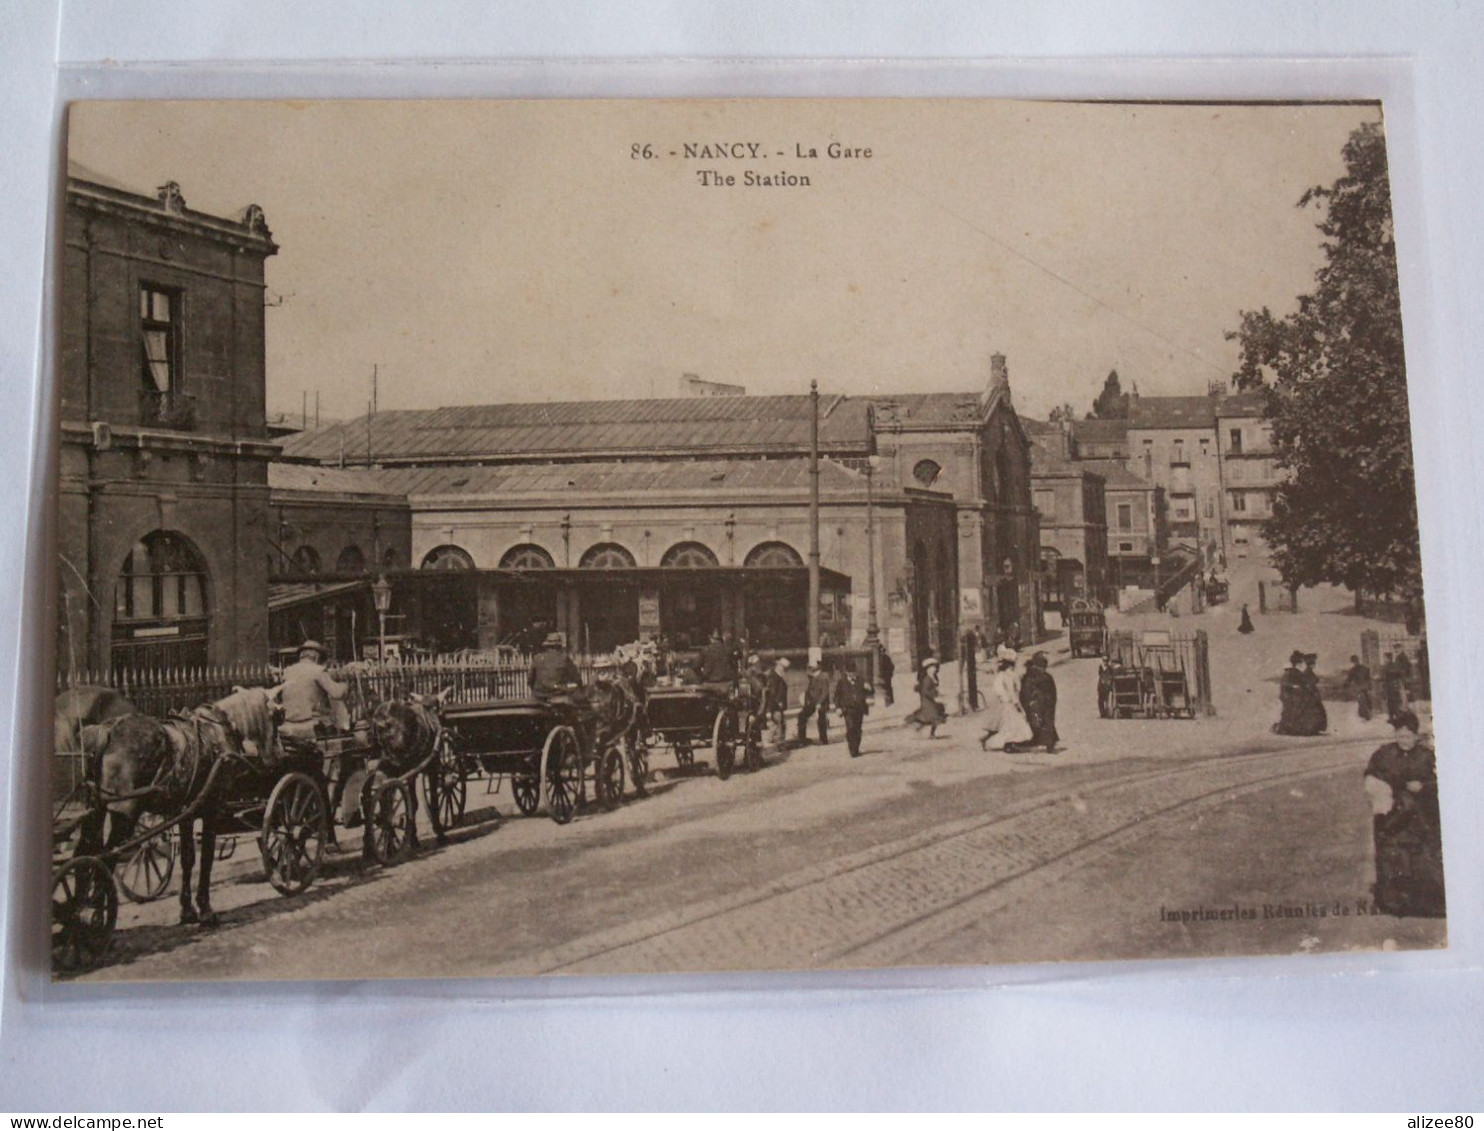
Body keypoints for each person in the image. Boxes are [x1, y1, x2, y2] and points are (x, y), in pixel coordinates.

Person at [1363, 710, 1445, 917]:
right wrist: (1379, 790)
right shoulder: (1384, 753)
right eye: (1399, 736)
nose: (1403, 740)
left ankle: (1424, 901)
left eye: (1408, 736)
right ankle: (1393, 902)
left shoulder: (1428, 756)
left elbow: (1445, 780)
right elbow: (1371, 775)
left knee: (1421, 856)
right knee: (1392, 855)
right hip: (1392, 815)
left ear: (1416, 736)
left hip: (1422, 814)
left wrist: (1425, 786)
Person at [279, 640, 349, 741]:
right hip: (311, 724)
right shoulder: (318, 671)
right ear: (316, 657)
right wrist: (344, 685)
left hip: (289, 723)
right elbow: (336, 693)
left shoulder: (287, 672)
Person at [983, 651, 1033, 751]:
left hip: (1006, 703)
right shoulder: (1011, 675)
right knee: (1014, 725)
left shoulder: (1002, 674)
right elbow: (1012, 691)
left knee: (1011, 726)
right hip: (1010, 703)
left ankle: (1008, 744)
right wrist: (1016, 704)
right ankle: (1007, 744)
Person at [1017, 652, 1059, 753]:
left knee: (1040, 721)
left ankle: (1047, 741)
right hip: (1042, 702)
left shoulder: (1031, 677)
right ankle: (1046, 741)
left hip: (1039, 703)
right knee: (1044, 722)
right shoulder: (1042, 677)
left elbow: (1025, 692)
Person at [529, 632, 583, 701]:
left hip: (539, 696)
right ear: (559, 647)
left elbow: (530, 679)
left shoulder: (537, 658)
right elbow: (577, 678)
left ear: (546, 646)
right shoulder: (564, 659)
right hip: (558, 695)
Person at [835, 665, 870, 758]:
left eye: (854, 673)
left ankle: (856, 748)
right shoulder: (841, 682)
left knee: (858, 729)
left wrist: (869, 688)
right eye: (850, 673)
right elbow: (836, 696)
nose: (852, 675)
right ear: (846, 673)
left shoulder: (861, 680)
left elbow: (870, 692)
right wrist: (838, 707)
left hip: (860, 709)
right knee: (850, 728)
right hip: (848, 709)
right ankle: (852, 750)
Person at [1274, 650, 1311, 735]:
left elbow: (1303, 682)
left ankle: (1295, 728)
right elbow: (1286, 684)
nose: (1302, 664)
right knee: (1289, 711)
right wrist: (1294, 686)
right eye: (1301, 662)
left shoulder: (1296, 672)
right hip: (1289, 695)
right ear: (1298, 663)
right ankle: (1285, 728)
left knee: (1295, 711)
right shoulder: (1290, 672)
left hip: (1294, 695)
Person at [907, 658, 947, 738]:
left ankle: (923, 729)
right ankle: (928, 732)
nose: (934, 669)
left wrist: (938, 693)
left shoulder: (933, 678)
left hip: (931, 700)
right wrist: (934, 694)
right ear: (927, 669)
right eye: (931, 668)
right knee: (933, 716)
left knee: (931, 717)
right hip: (926, 701)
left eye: (935, 667)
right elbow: (925, 691)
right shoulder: (927, 679)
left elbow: (933, 689)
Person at [796, 662, 833, 745]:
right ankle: (802, 738)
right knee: (801, 716)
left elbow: (825, 692)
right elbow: (809, 691)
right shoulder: (814, 677)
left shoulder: (823, 677)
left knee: (821, 721)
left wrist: (819, 703)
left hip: (821, 704)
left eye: (810, 669)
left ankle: (823, 740)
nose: (809, 671)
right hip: (811, 703)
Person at [1299, 652, 1329, 734]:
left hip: (1311, 693)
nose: (1314, 665)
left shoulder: (1308, 672)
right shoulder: (1308, 672)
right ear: (1310, 664)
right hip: (1311, 694)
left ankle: (1313, 728)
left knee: (1314, 711)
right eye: (1313, 664)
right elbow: (1310, 682)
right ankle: (1312, 728)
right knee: (1314, 711)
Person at [764, 657, 790, 746]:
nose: (784, 670)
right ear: (778, 666)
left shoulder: (778, 676)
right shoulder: (774, 676)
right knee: (778, 723)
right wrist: (778, 701)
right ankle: (778, 742)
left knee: (779, 723)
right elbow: (773, 692)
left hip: (777, 704)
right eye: (783, 667)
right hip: (775, 704)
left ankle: (775, 740)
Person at [1344, 654, 1374, 721]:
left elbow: (1348, 680)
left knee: (1361, 701)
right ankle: (1368, 714)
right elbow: (1368, 679)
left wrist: (1345, 685)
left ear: (1353, 662)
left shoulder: (1352, 670)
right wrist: (1370, 686)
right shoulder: (1365, 668)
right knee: (1367, 700)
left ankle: (1364, 716)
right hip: (1365, 687)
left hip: (1359, 688)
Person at [1381, 652, 1406, 719]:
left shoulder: (1386, 666)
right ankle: (1393, 716)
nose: (1384, 659)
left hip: (1390, 686)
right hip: (1395, 685)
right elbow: (1401, 674)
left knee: (1391, 702)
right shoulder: (1395, 665)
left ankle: (1394, 716)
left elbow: (1383, 677)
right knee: (1394, 701)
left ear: (1388, 658)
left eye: (1385, 658)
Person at [963, 628, 980, 710]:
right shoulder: (970, 650)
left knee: (972, 683)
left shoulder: (968, 650)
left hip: (971, 669)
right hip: (971, 670)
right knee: (972, 683)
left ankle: (973, 703)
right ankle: (974, 703)